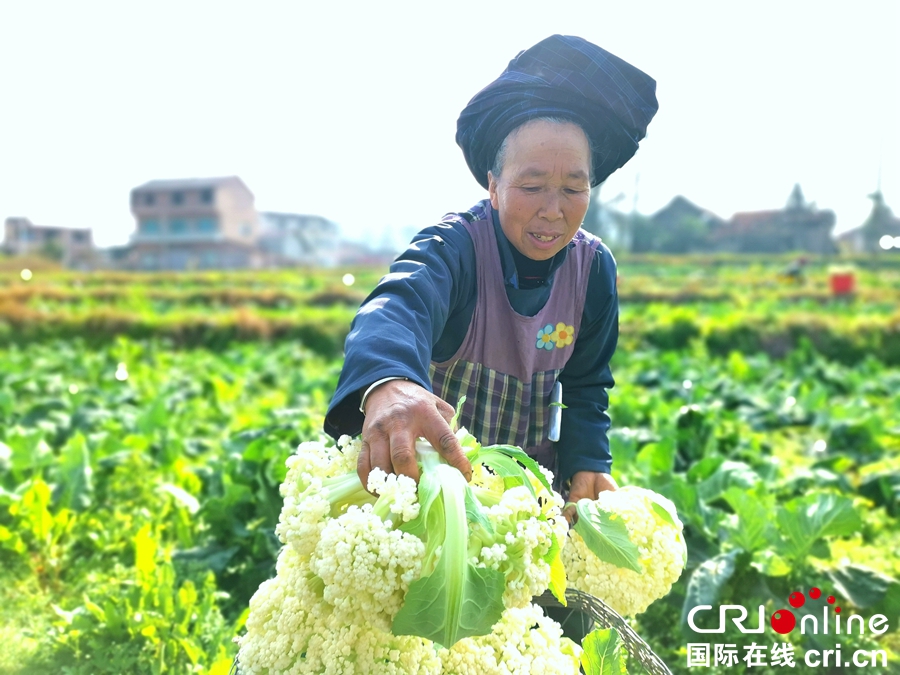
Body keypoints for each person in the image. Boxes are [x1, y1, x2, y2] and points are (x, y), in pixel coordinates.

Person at [325, 34, 657, 512]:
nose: (552, 210)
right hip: (432, 484)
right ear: (494, 186)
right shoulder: (455, 247)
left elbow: (585, 384)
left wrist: (588, 459)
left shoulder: (593, 269)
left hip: (522, 495)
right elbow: (398, 306)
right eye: (532, 185)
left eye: (572, 188)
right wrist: (389, 381)